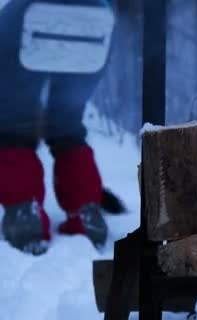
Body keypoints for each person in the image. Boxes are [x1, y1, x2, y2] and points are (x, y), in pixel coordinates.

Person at [0, 0, 115, 255]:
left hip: (29, 17)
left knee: (12, 128)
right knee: (66, 124)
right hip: (95, 23)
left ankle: (23, 213)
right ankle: (85, 210)